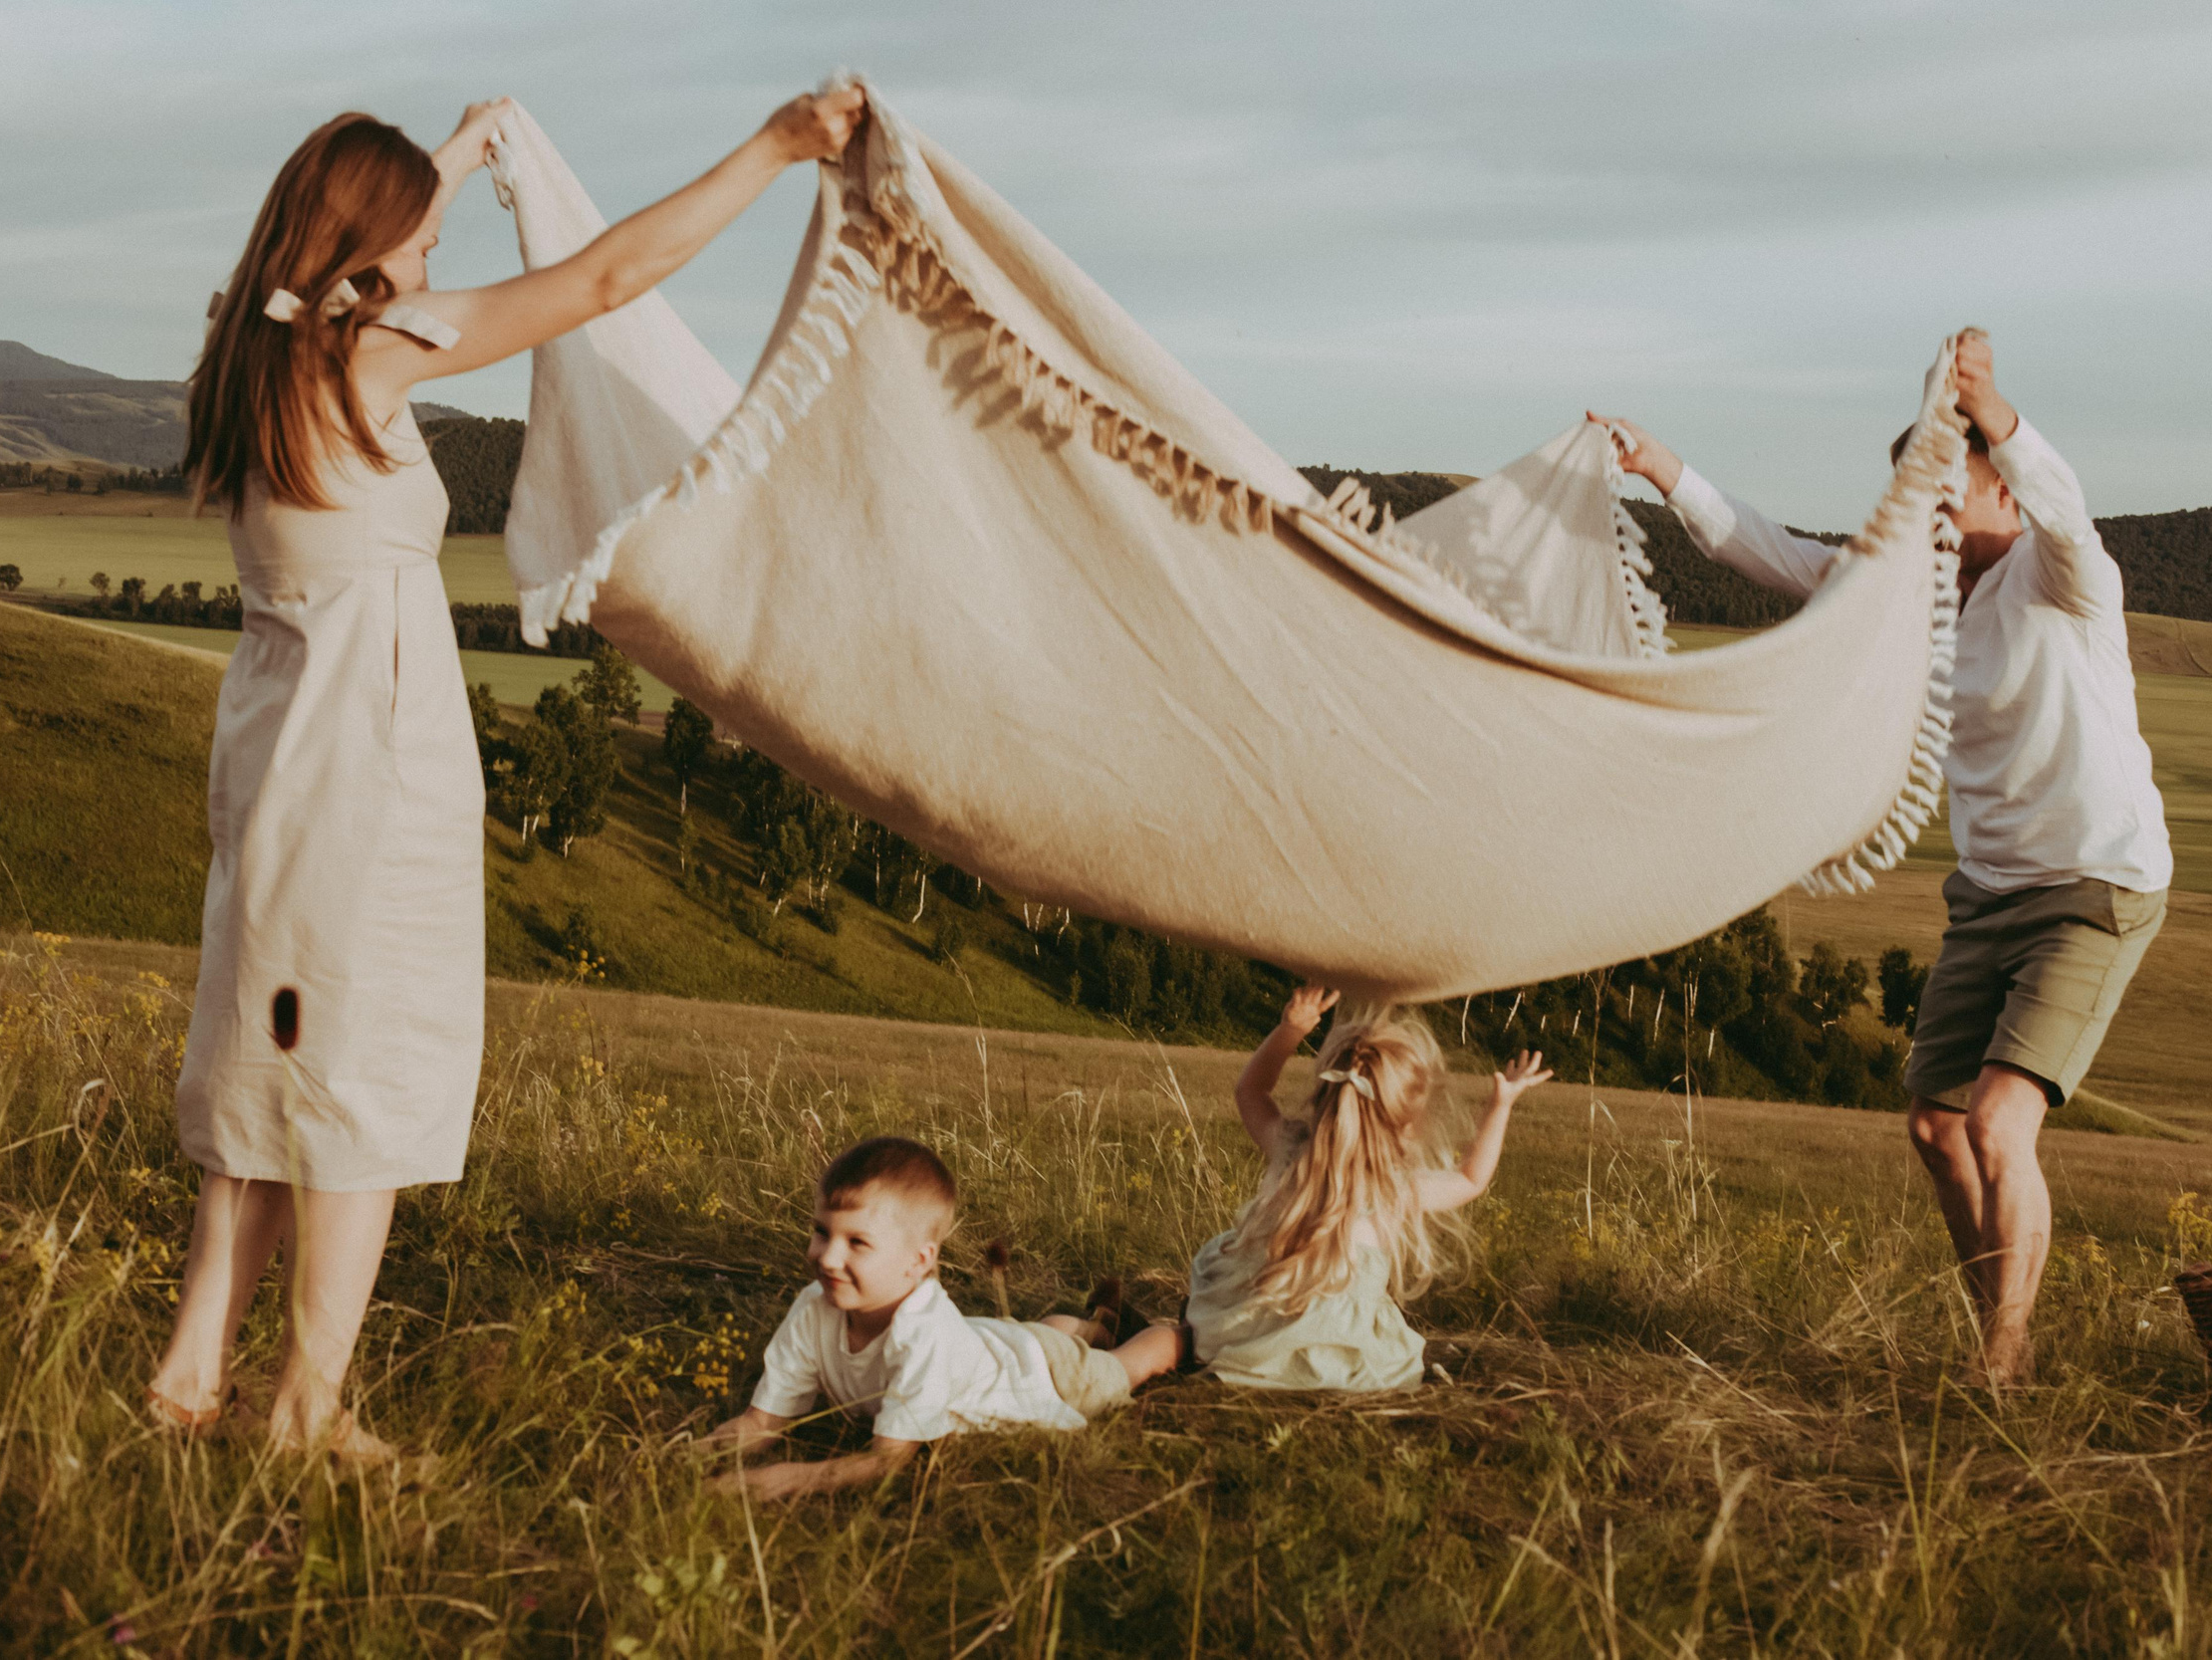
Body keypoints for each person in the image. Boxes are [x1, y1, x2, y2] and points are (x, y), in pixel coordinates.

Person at [146, 84, 868, 1461]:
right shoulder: (368, 356)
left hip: (278, 759)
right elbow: (605, 276)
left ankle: (190, 1375)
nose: (432, 269)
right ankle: (304, 1405)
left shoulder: (253, 351)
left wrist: (460, 154)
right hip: (369, 768)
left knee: (271, 1061)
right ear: (362, 262)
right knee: (355, 1079)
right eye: (415, 244)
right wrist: (775, 149)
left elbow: (368, 240)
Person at [1592, 331, 2171, 1385]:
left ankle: (2004, 1356)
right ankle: (1998, 1317)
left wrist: (1990, 411)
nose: (1939, 512)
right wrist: (1658, 465)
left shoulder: (2064, 578)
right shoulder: (1911, 600)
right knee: (1933, 1126)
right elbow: (1771, 553)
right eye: (1923, 495)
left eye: (1958, 488)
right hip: (1990, 890)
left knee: (1998, 1121)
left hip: (2094, 882)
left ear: (2003, 494)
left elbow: (2066, 501)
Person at [703, 1137, 1183, 1499]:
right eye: (821, 1231)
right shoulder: (815, 1307)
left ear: (918, 1261)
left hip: (1042, 1376)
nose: (827, 1258)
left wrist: (789, 1479)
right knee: (1024, 1339)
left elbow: (887, 1462)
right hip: (982, 1343)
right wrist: (687, 1455)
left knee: (1122, 1368)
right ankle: (1085, 1325)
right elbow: (762, 1424)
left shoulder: (923, 1334)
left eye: (857, 1243)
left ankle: (1180, 1336)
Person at [1184, 986, 1552, 1390]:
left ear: (1323, 1094)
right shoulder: (1395, 1186)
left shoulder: (1291, 1150)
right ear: (1406, 1122)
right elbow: (1471, 1178)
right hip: (1344, 1353)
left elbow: (1250, 1091)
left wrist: (1290, 1030)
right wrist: (1501, 1104)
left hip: (1257, 1329)